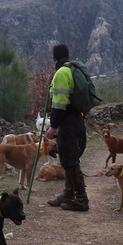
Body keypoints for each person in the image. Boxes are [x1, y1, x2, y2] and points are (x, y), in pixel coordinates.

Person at [45, 43, 89, 211]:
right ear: (68, 56)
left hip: (68, 122)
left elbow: (59, 103)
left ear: (54, 58)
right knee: (71, 160)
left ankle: (81, 199)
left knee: (70, 162)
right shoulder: (74, 69)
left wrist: (53, 126)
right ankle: (67, 194)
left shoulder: (61, 73)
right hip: (78, 120)